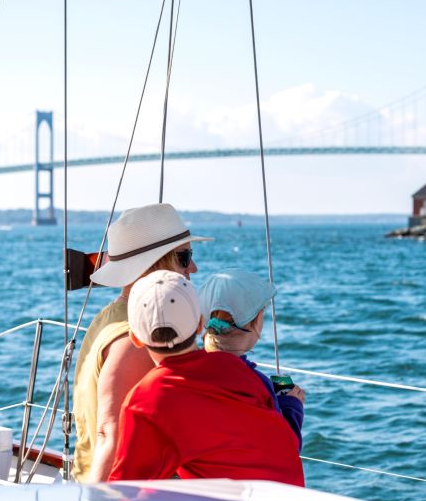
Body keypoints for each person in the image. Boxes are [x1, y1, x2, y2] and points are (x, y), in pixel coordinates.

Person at [107, 270, 304, 484]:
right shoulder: (240, 372)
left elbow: (125, 486)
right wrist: (291, 406)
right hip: (284, 498)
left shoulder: (145, 399)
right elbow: (282, 443)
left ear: (134, 337)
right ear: (200, 324)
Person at [72, 203, 211, 483]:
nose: (193, 267)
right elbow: (110, 435)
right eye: (185, 257)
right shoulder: (136, 339)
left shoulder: (111, 316)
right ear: (154, 263)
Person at [200, 271, 305, 448]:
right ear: (256, 321)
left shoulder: (190, 369)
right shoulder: (257, 385)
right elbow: (286, 448)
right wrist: (291, 406)